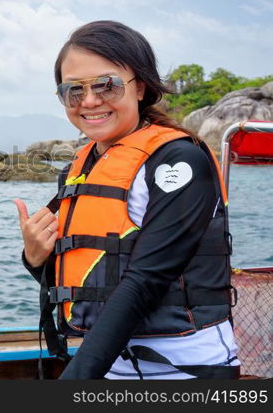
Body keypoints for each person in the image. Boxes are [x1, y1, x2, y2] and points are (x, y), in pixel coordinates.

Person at [14, 20, 239, 379]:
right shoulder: (84, 164)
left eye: (107, 85)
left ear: (141, 87)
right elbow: (91, 276)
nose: (89, 101)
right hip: (112, 367)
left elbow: (147, 279)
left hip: (185, 370)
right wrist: (35, 258)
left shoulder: (180, 161)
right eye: (73, 90)